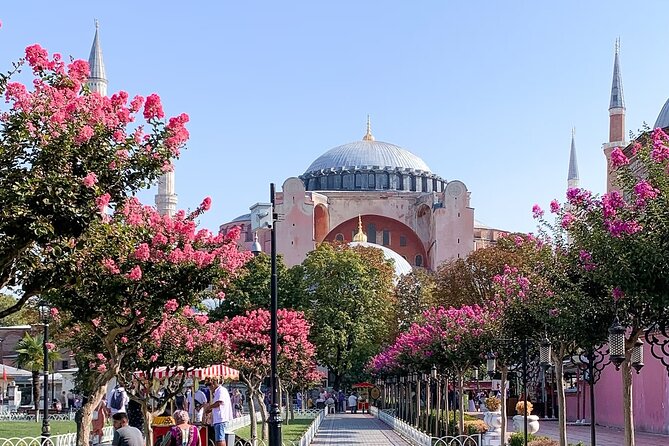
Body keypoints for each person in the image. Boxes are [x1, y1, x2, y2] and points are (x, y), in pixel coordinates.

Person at [206, 378, 233, 446]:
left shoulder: (221, 390)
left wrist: (209, 407)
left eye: (210, 385)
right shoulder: (217, 392)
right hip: (218, 419)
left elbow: (219, 403)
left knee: (220, 439)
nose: (209, 387)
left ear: (214, 383)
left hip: (221, 419)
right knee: (218, 439)